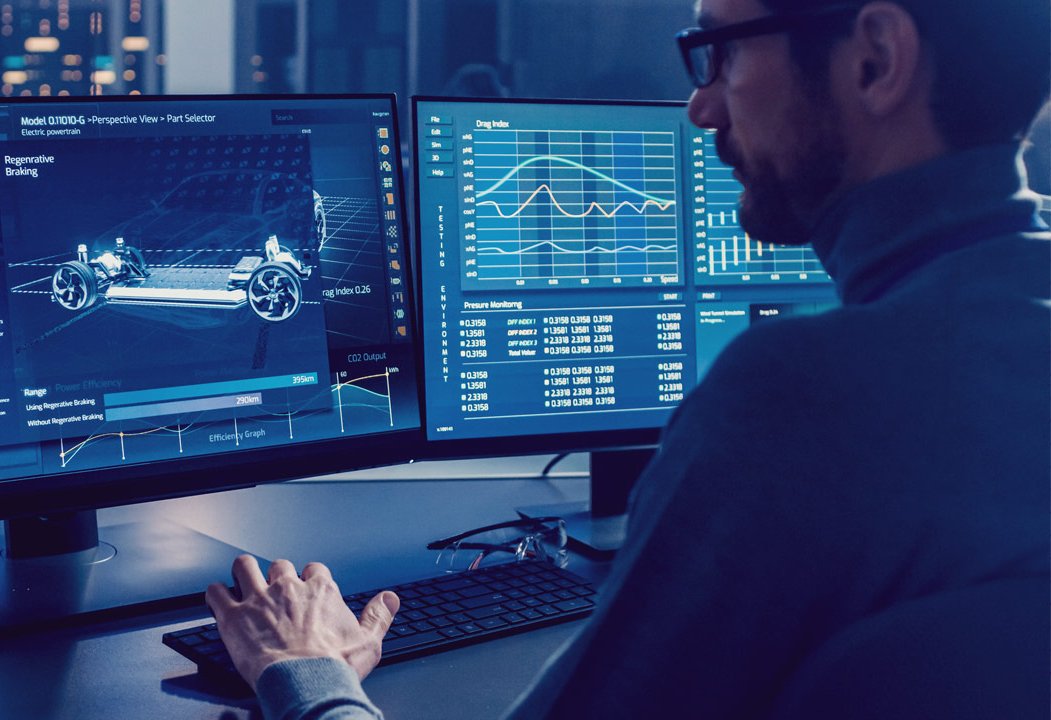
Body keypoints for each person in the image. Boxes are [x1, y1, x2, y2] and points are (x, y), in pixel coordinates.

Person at [207, 0, 1051, 717]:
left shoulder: (813, 393)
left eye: (718, 53)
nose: (703, 109)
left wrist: (306, 675)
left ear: (875, 60)